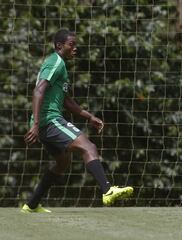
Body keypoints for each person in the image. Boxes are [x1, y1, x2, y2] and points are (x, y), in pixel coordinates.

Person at [21, 29, 133, 213]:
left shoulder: (60, 65)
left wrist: (89, 117)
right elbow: (38, 91)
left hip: (44, 121)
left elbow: (66, 100)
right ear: (59, 46)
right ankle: (107, 190)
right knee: (88, 147)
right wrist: (36, 124)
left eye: (76, 45)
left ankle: (31, 204)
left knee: (62, 162)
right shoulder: (55, 62)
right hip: (49, 120)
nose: (75, 48)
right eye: (71, 44)